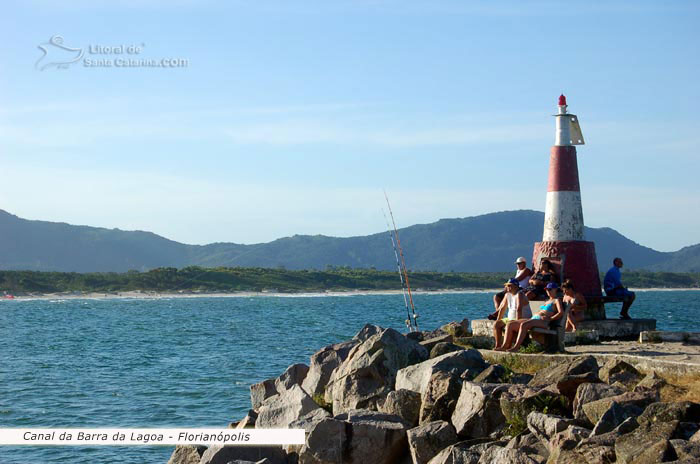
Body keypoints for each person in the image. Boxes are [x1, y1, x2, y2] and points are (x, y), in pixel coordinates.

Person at [495, 282, 564, 352]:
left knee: (524, 325)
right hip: (535, 319)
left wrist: (551, 318)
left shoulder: (556, 300)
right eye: (546, 289)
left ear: (555, 289)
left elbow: (561, 312)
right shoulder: (547, 301)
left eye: (549, 289)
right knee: (510, 324)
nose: (547, 291)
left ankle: (516, 347)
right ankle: (504, 346)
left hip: (544, 321)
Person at [492, 278, 531, 349]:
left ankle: (505, 346)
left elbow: (519, 309)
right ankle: (497, 345)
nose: (508, 287)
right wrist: (498, 319)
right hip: (510, 318)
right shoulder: (507, 295)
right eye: (507, 286)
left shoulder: (520, 294)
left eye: (510, 285)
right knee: (496, 324)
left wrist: (517, 322)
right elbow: (502, 308)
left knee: (509, 325)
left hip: (523, 318)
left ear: (516, 286)